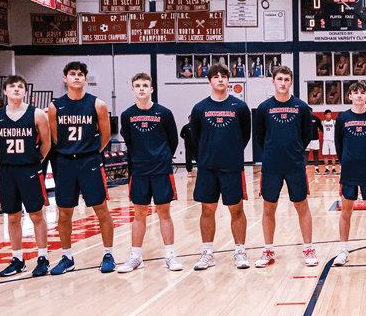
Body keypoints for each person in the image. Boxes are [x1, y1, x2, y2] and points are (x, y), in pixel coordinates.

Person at [47, 61, 116, 275]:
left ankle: (108, 254)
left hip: (89, 161)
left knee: (100, 209)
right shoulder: (55, 106)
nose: (76, 77)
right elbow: (55, 138)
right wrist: (69, 151)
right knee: (64, 212)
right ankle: (67, 257)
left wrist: (90, 152)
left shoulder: (98, 104)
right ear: (65, 78)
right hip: (65, 163)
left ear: (85, 79)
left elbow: (105, 136)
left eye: (80, 74)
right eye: (72, 74)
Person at [190, 64, 253, 270]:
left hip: (232, 166)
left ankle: (240, 251)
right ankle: (207, 253)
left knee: (236, 209)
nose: (220, 79)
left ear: (228, 80)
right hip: (208, 167)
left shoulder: (239, 107)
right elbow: (196, 137)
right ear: (209, 81)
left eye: (223, 76)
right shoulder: (199, 108)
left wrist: (232, 151)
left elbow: (245, 135)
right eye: (215, 77)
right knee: (207, 210)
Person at [254, 65, 317, 267]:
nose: (283, 83)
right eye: (279, 79)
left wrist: (295, 149)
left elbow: (307, 135)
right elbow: (260, 137)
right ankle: (268, 251)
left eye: (286, 79)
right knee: (268, 207)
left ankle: (308, 248)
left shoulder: (301, 107)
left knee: (302, 205)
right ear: (273, 82)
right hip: (271, 165)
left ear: (291, 82)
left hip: (295, 164)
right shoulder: (264, 108)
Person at [0, 76, 53, 277]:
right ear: (5, 92)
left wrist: (33, 162)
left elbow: (46, 144)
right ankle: (17, 259)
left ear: (25, 92)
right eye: (11, 86)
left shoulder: (37, 115)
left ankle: (43, 257)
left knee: (36, 214)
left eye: (20, 87)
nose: (16, 89)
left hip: (30, 169)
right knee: (13, 216)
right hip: (8, 170)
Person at [118, 73, 180, 272]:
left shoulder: (164, 113)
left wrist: (161, 157)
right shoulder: (127, 115)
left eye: (145, 85)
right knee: (139, 214)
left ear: (151, 89)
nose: (142, 88)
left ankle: (170, 254)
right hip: (139, 170)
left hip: (161, 169)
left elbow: (173, 141)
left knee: (164, 212)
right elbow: (128, 140)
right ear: (133, 90)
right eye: (138, 85)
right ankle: (135, 256)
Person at [334, 82, 366, 266]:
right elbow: (338, 145)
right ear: (349, 96)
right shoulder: (342, 118)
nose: (359, 96)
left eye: (363, 93)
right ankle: (343, 251)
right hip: (348, 171)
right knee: (346, 212)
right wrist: (346, 160)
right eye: (355, 93)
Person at [320, 109, 338, 174]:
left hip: (332, 141)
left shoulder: (334, 122)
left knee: (334, 155)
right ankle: (326, 169)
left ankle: (333, 168)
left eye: (330, 114)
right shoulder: (323, 123)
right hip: (325, 141)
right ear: (325, 115)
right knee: (325, 155)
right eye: (328, 114)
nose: (329, 116)